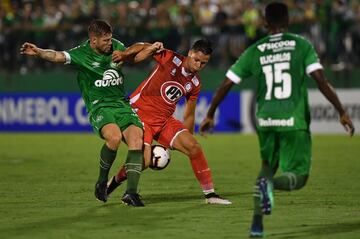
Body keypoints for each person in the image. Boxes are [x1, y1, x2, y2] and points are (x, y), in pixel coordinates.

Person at [199, 2, 354, 237]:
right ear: (288, 21)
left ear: (265, 23)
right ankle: (271, 186)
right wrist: (341, 111)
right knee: (298, 177)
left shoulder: (256, 49)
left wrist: (210, 114)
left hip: (266, 120)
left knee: (266, 168)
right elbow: (321, 80)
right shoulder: (301, 45)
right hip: (294, 119)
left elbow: (226, 83)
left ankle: (256, 226)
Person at [20, 19, 164, 207]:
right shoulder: (81, 54)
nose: (109, 43)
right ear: (93, 40)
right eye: (105, 41)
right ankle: (102, 181)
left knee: (137, 140)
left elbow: (134, 54)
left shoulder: (116, 47)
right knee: (113, 138)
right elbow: (56, 56)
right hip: (100, 107)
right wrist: (39, 52)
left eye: (110, 39)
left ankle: (131, 193)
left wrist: (152, 48)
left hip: (121, 104)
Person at [107, 39, 232, 205]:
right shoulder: (170, 58)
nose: (199, 65)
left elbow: (189, 114)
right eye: (196, 60)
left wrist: (186, 137)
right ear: (190, 53)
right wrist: (124, 54)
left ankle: (210, 195)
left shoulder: (195, 83)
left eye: (203, 63)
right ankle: (115, 184)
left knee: (193, 147)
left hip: (164, 120)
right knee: (144, 160)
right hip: (140, 113)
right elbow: (144, 46)